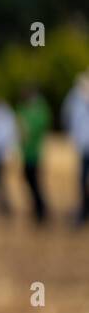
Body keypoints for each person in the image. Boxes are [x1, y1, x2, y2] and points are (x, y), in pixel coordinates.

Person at [15, 86, 51, 224]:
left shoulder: (39, 110)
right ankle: (38, 208)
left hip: (34, 153)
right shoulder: (26, 109)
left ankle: (41, 209)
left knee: (35, 182)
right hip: (27, 152)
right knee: (30, 180)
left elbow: (29, 129)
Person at [62, 71, 89, 226]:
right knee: (82, 181)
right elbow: (68, 117)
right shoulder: (76, 100)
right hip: (83, 146)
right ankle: (83, 211)